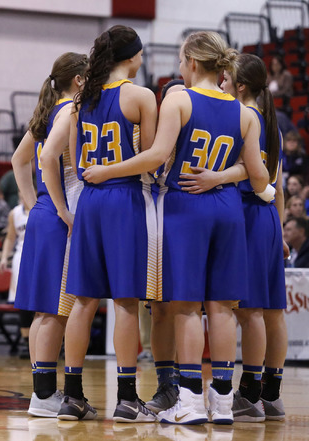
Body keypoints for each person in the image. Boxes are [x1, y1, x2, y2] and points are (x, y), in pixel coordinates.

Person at [82, 31, 270, 425]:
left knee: (185, 307)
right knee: (222, 307)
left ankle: (187, 398)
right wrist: (220, 176)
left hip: (186, 205)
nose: (179, 69)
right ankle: (221, 401)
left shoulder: (178, 98)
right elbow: (259, 178)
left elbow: (155, 155)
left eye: (182, 61)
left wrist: (105, 171)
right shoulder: (245, 113)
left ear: (193, 63)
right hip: (228, 208)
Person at [43, 26, 158, 422]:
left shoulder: (80, 101)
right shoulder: (141, 96)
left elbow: (75, 161)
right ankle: (127, 398)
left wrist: (99, 172)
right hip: (124, 196)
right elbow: (152, 157)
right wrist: (113, 170)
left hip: (90, 201)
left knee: (83, 301)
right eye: (140, 54)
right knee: (125, 301)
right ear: (131, 56)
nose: (142, 61)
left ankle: (72, 396)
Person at [180, 53, 289, 421]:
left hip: (248, 214)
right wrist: (280, 224)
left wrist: (214, 177)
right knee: (269, 312)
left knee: (251, 312)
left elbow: (256, 177)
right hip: (267, 217)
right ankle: (268, 393)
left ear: (240, 85)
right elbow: (279, 186)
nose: (222, 82)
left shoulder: (249, 116)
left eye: (227, 79)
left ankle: (250, 393)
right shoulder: (269, 120)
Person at [12, 51, 88, 419]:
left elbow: (17, 160)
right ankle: (43, 395)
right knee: (58, 311)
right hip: (58, 213)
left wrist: (32, 203)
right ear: (78, 80)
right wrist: (58, 207)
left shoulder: (45, 114)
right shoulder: (70, 111)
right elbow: (41, 161)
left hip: (42, 211)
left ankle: (42, 390)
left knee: (45, 311)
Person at [145, 78, 187, 415]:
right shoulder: (150, 129)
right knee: (160, 308)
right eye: (171, 97)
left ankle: (205, 388)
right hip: (153, 215)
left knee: (194, 307)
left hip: (188, 215)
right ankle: (166, 384)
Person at [0, 197, 30, 358]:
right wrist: (4, 257)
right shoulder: (15, 213)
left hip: (40, 255)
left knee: (41, 301)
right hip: (20, 256)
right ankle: (26, 343)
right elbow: (10, 237)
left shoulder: (44, 207)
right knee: (23, 302)